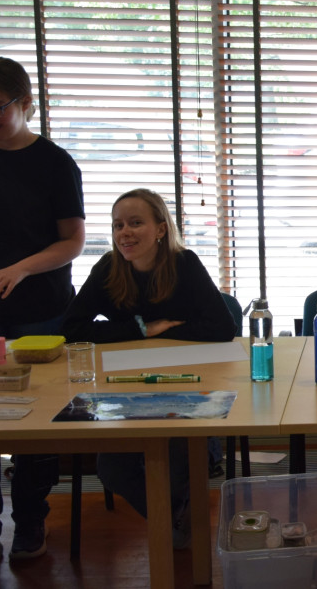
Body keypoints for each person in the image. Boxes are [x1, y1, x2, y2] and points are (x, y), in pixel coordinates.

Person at [61, 187, 237, 549]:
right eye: (118, 225)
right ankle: (175, 518)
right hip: (125, 390)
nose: (125, 232)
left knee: (180, 460)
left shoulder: (184, 264)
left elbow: (222, 327)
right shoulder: (108, 268)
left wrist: (164, 332)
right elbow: (72, 329)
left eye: (135, 223)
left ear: (160, 229)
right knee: (112, 469)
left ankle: (176, 520)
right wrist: (142, 329)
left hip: (189, 387)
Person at [0, 56, 86, 561]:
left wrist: (22, 268)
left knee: (38, 421)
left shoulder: (54, 163)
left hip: (41, 309)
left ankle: (30, 521)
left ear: (25, 103)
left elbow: (73, 241)